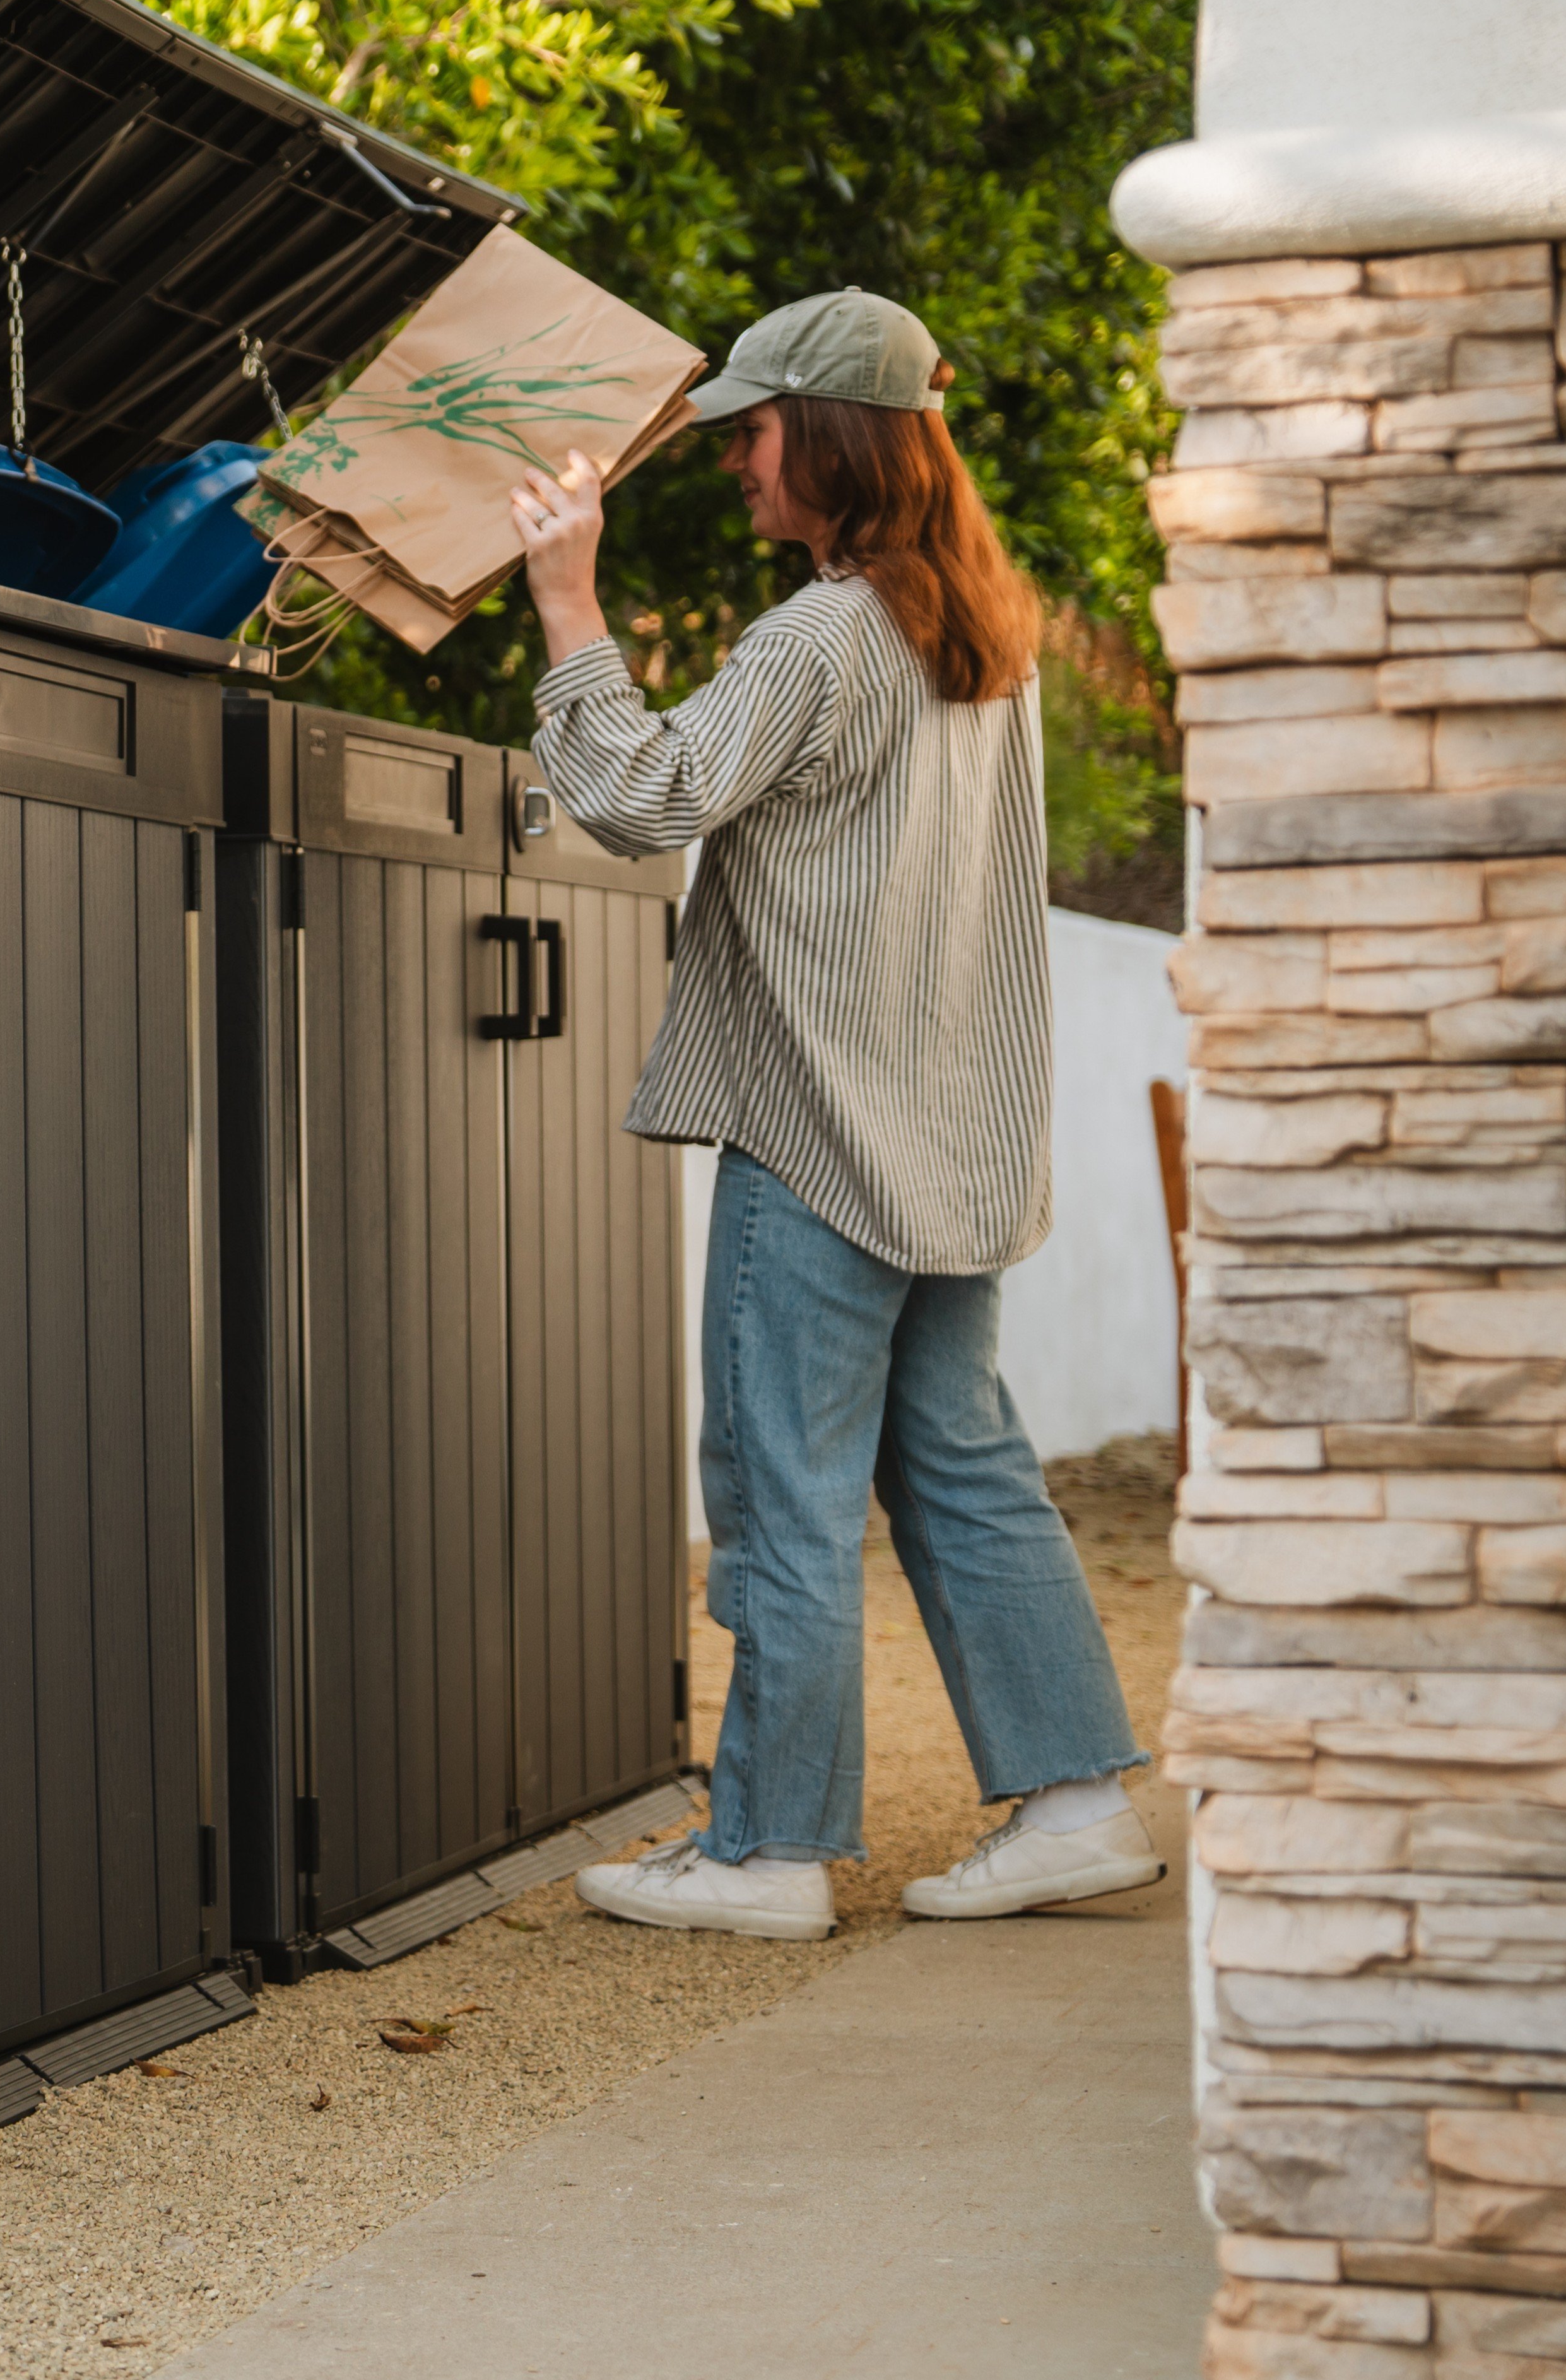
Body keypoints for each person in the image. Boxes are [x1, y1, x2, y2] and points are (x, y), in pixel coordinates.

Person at [505, 287, 1158, 1942]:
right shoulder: (981, 636)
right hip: (950, 1137)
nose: (735, 462)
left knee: (781, 1489)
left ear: (832, 439)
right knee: (962, 1463)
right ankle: (1076, 1798)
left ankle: (767, 1848)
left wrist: (566, 599)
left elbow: (644, 794)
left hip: (814, 1141)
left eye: (754, 431)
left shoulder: (815, 637)